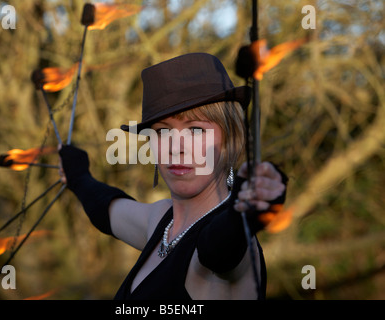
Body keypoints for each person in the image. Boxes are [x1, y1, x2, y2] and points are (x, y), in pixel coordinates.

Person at [58, 53, 288, 300]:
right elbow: (106, 209)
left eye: (196, 129)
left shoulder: (237, 245)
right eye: (162, 131)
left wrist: (245, 210)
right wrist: (78, 175)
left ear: (231, 140)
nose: (175, 146)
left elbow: (219, 249)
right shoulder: (160, 220)